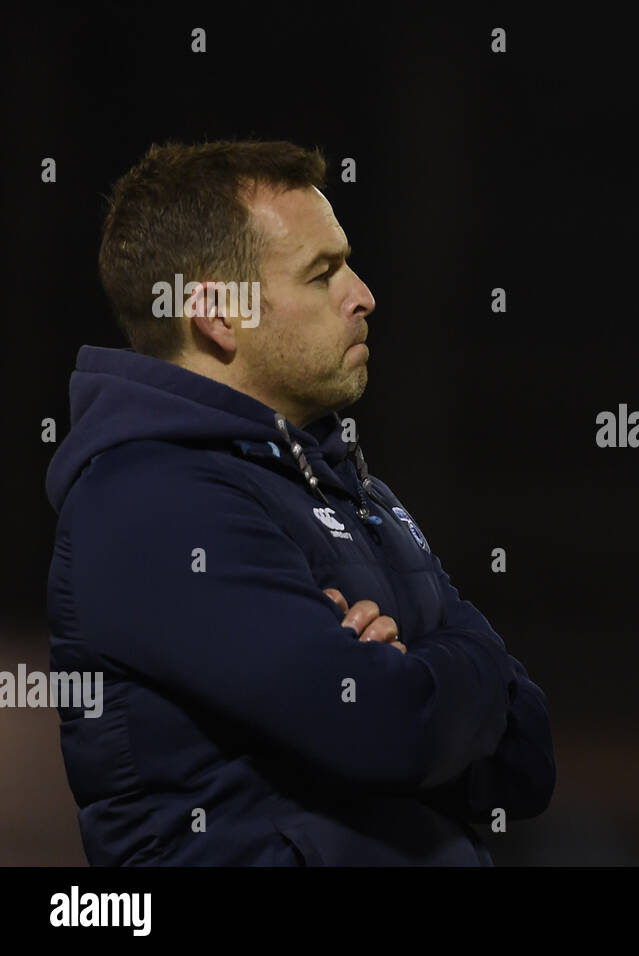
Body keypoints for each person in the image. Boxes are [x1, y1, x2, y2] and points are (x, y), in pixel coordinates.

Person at [45, 140, 554, 865]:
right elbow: (388, 727)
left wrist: (423, 671)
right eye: (322, 275)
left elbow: (528, 759)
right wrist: (463, 669)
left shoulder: (351, 486)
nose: (363, 295)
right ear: (218, 314)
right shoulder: (148, 502)